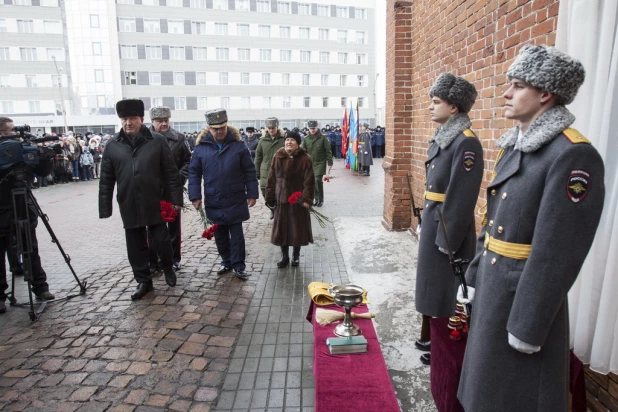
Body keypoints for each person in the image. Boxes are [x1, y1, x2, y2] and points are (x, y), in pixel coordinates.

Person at [457, 45, 605, 411]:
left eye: (517, 85)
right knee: (485, 391)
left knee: (516, 395)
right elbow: (491, 223)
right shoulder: (517, 145)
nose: (506, 93)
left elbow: (560, 251)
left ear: (545, 94)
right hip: (495, 289)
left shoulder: (572, 154)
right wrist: (474, 277)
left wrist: (528, 323)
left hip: (524, 299)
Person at [414, 73, 483, 366]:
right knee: (431, 286)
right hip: (434, 222)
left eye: (436, 101)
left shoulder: (465, 143)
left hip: (448, 230)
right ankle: (432, 336)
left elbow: (461, 197)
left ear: (454, 107)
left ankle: (445, 344)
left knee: (446, 290)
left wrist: (447, 240)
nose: (431, 106)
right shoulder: (445, 138)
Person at [99, 99, 183, 300]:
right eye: (125, 119)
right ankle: (143, 280)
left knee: (162, 240)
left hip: (155, 200)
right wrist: (105, 207)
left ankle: (168, 267)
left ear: (141, 120)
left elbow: (171, 173)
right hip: (129, 203)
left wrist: (175, 200)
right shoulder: (112, 145)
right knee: (135, 247)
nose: (128, 122)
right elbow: (106, 179)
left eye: (132, 118)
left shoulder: (156, 141)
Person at [188, 108, 258, 280]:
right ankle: (226, 261)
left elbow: (249, 171)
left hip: (235, 197)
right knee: (220, 235)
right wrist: (195, 196)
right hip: (214, 197)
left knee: (237, 235)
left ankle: (238, 265)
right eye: (215, 128)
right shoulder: (200, 149)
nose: (219, 131)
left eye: (222, 127)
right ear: (209, 128)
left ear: (227, 126)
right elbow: (194, 173)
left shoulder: (239, 146)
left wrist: (253, 193)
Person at [0, 117, 56, 313]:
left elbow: (41, 172)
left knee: (30, 246)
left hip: (23, 200)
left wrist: (46, 157)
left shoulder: (23, 148)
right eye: (10, 131)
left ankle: (40, 288)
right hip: (2, 205)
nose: (15, 134)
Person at [148, 106, 192, 272]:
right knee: (152, 227)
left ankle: (174, 258)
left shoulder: (179, 139)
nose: (164, 123)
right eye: (160, 121)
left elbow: (189, 161)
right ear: (152, 122)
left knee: (173, 227)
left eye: (166, 120)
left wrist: (178, 178)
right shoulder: (144, 139)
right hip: (151, 191)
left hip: (172, 191)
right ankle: (154, 261)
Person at [266, 131, 315, 268]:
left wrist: (306, 199)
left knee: (297, 228)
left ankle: (296, 256)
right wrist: (270, 197)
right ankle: (285, 256)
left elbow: (309, 181)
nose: (289, 142)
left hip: (297, 200)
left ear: (298, 143)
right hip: (281, 198)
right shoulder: (278, 156)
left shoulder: (305, 158)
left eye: (292, 140)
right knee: (282, 228)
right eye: (287, 140)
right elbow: (271, 178)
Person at [254, 117, 285, 219]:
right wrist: (256, 171)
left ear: (277, 127)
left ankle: (278, 210)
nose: (271, 130)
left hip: (280, 171)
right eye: (269, 128)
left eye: (273, 128)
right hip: (265, 171)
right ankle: (272, 208)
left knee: (279, 191)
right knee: (264, 190)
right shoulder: (262, 141)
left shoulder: (283, 140)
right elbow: (258, 156)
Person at [301, 120, 332, 207]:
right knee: (312, 181)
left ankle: (321, 200)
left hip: (320, 162)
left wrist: (330, 162)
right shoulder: (306, 138)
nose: (312, 130)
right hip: (310, 163)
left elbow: (328, 150)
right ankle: (316, 199)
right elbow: (303, 150)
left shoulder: (323, 138)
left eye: (314, 128)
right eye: (311, 128)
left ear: (317, 127)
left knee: (318, 180)